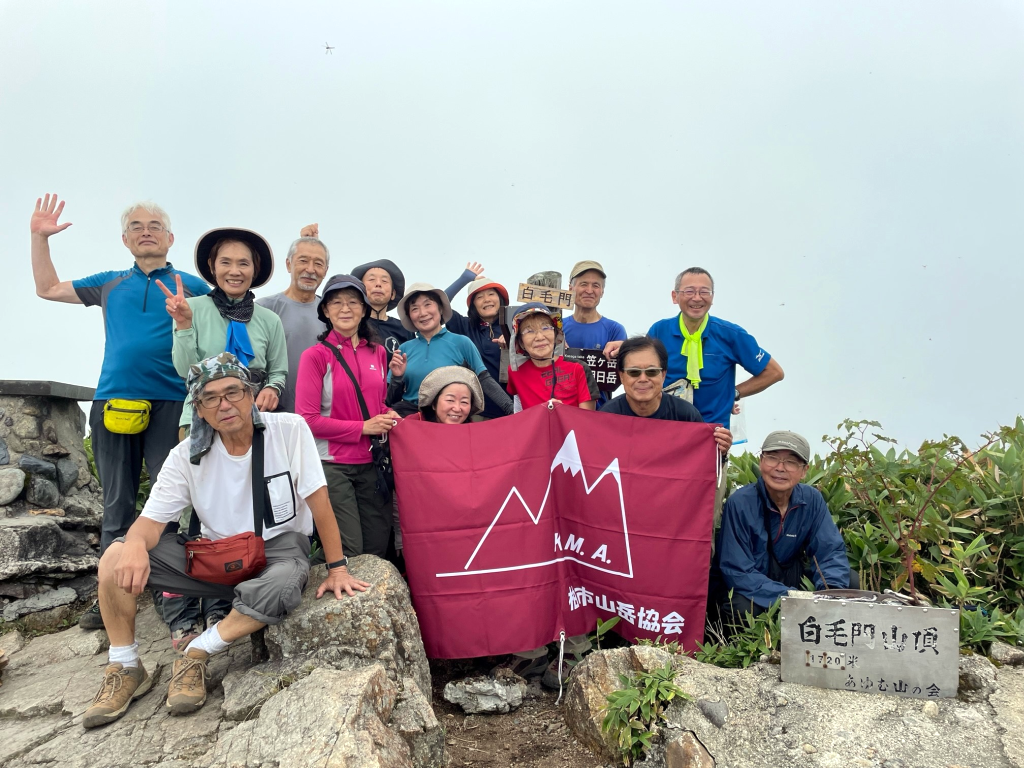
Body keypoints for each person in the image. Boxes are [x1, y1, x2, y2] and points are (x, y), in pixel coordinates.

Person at [81, 353, 368, 729]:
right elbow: (151, 522)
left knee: (283, 584)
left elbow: (319, 500)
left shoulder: (288, 429)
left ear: (251, 394)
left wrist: (337, 567)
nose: (224, 404)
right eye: (211, 398)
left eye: (233, 392)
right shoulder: (187, 455)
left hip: (276, 550)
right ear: (198, 409)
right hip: (216, 556)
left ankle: (198, 650)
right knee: (115, 557)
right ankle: (125, 665)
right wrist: (134, 544)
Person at [29, 195, 211, 631]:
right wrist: (39, 238)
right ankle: (110, 595)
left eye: (154, 225)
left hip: (173, 403)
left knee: (169, 503)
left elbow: (228, 319)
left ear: (170, 238)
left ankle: (175, 600)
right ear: (125, 239)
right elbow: (47, 289)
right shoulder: (109, 282)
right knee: (117, 504)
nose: (145, 231)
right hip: (114, 401)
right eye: (135, 226)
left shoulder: (194, 285)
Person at [157, 227, 288, 645]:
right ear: (212, 267)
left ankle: (221, 600)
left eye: (244, 263)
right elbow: (183, 368)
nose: (235, 270)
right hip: (199, 419)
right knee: (191, 513)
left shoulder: (268, 319)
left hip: (252, 424)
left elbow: (279, 369)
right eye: (226, 262)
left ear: (256, 270)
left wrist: (272, 388)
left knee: (236, 509)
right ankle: (180, 612)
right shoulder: (190, 306)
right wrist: (181, 324)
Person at [295, 274, 400, 558]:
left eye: (353, 302)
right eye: (336, 302)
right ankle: (299, 576)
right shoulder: (315, 356)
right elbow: (307, 419)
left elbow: (376, 403)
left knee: (378, 546)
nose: (345, 308)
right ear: (325, 311)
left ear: (364, 309)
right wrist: (363, 427)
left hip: (372, 463)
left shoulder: (378, 352)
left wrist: (388, 414)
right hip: (332, 465)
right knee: (349, 549)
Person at [712, 431, 854, 628]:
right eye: (773, 458)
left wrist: (830, 593)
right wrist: (791, 597)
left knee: (849, 583)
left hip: (788, 575)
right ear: (761, 461)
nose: (780, 468)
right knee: (742, 607)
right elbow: (737, 571)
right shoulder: (740, 503)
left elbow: (829, 551)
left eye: (791, 462)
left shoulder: (811, 499)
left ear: (804, 470)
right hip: (751, 583)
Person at [638, 267, 783, 430]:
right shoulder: (660, 330)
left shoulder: (730, 334)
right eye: (689, 291)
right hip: (666, 428)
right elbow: (641, 370)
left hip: (712, 432)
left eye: (704, 292)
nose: (697, 298)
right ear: (675, 296)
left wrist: (733, 394)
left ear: (712, 297)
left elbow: (774, 372)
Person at [387, 284, 513, 417]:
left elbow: (484, 379)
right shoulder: (404, 349)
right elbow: (391, 401)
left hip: (452, 421)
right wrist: (397, 378)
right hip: (413, 423)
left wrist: (511, 409)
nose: (422, 313)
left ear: (440, 308)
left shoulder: (462, 342)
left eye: (428, 304)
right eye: (414, 309)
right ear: (410, 316)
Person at [602, 336, 733, 456]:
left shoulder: (686, 416)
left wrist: (719, 452)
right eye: (634, 372)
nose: (643, 379)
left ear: (663, 375)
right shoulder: (607, 417)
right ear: (622, 376)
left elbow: (702, 469)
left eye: (652, 372)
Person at [352, 258, 481, 363]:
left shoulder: (403, 328)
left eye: (384, 281)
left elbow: (433, 314)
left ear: (393, 293)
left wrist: (464, 279)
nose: (378, 284)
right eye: (371, 280)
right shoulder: (351, 325)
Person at [255, 234, 330, 413]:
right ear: (289, 264)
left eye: (318, 264)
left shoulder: (331, 314)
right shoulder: (264, 308)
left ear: (326, 270)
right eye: (303, 260)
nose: (310, 269)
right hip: (271, 411)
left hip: (319, 415)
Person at [561, 260, 627, 408]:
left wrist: (627, 348)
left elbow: (627, 371)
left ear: (602, 291)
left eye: (596, 285)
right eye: (583, 284)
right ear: (570, 288)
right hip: (561, 410)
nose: (589, 290)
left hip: (601, 412)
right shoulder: (556, 328)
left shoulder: (615, 330)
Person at [507, 303, 595, 412]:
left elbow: (587, 419)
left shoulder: (578, 368)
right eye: (529, 331)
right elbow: (519, 406)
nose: (539, 337)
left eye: (545, 328)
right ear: (520, 342)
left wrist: (561, 411)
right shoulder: (515, 371)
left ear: (556, 333)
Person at [444, 276, 511, 419]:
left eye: (491, 294)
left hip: (515, 408)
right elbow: (440, 304)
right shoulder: (465, 326)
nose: (487, 299)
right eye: (479, 297)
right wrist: (464, 278)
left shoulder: (515, 324)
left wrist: (514, 339)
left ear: (500, 299)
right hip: (478, 413)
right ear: (473, 305)